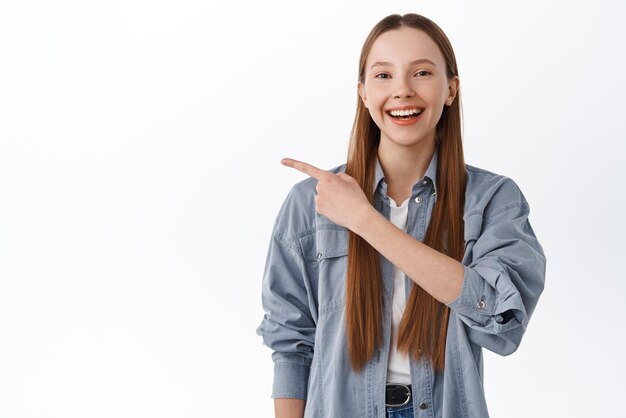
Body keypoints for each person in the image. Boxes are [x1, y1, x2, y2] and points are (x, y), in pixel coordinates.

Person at [256, 13, 546, 418]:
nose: (403, 91)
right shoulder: (312, 202)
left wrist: (365, 220)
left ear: (450, 89)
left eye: (422, 72)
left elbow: (501, 319)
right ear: (362, 92)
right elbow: (290, 340)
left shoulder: (492, 199)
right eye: (383, 76)